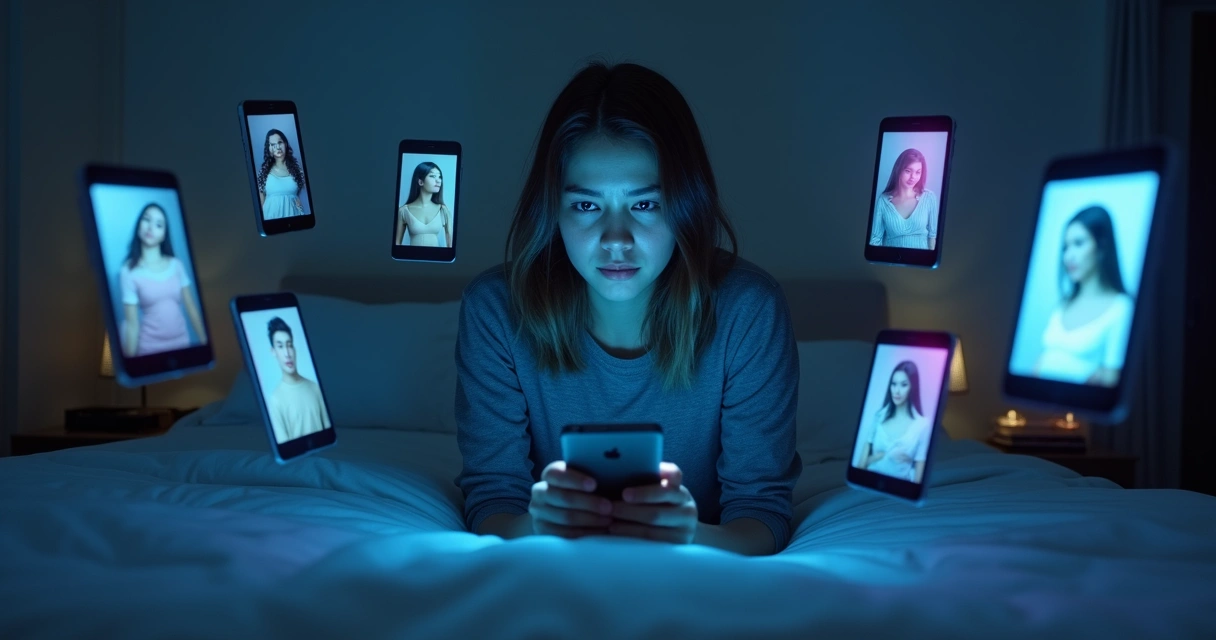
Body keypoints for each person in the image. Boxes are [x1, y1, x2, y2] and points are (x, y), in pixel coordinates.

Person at [454, 61, 801, 557]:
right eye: (586, 206)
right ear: (554, 209)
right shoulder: (496, 310)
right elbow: (493, 500)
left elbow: (760, 512)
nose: (616, 240)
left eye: (644, 205)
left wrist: (690, 533)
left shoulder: (748, 311)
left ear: (684, 205)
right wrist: (537, 525)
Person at [1034, 205, 1134, 387]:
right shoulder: (1063, 304)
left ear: (1102, 246)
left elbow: (1111, 381)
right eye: (1065, 247)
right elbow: (1043, 361)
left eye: (1078, 243)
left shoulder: (1121, 308)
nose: (1068, 256)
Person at [118, 203, 206, 357]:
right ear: (139, 225)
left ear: (164, 234)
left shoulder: (176, 265)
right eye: (146, 220)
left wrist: (205, 342)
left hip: (182, 345)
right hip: (149, 349)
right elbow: (132, 325)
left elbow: (191, 308)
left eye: (158, 224)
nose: (150, 227)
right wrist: (131, 364)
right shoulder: (128, 271)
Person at [854, 361, 932, 483]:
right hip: (870, 481)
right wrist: (879, 457)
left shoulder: (922, 425)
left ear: (912, 387)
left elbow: (918, 477)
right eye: (893, 384)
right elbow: (861, 465)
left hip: (899, 486)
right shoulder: (879, 416)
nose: (896, 391)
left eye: (903, 385)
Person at [265, 317, 330, 443]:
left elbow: (328, 432)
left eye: (289, 345)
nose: (287, 353)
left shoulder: (315, 387)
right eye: (280, 346)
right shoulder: (275, 400)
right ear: (273, 351)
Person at [869, 148, 939, 249]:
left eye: (918, 172)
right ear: (898, 170)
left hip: (922, 258)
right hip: (891, 258)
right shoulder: (883, 201)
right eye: (908, 171)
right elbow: (875, 240)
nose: (913, 177)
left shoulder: (929, 198)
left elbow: (933, 237)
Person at [397, 162, 453, 247]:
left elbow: (450, 245)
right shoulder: (403, 211)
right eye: (432, 176)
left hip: (436, 255)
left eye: (439, 177)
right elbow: (397, 244)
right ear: (420, 182)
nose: (438, 181)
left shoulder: (443, 210)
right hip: (412, 256)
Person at [257, 128, 307, 219]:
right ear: (269, 148)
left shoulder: (298, 170)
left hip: (295, 220)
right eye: (273, 144)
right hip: (271, 221)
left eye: (280, 142)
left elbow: (305, 196)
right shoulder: (263, 172)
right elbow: (260, 204)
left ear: (285, 144)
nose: (278, 147)